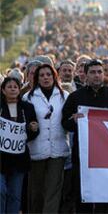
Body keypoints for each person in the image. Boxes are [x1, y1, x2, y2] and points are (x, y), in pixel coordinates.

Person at [62, 59, 108, 213]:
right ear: (86, 75)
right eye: (93, 72)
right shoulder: (75, 97)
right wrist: (73, 120)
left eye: (99, 72)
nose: (97, 75)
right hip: (83, 157)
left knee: (106, 198)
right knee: (83, 197)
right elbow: (64, 122)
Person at [23, 63, 70, 213]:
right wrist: (30, 127)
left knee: (53, 191)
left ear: (54, 76)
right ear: (37, 78)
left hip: (58, 149)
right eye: (42, 75)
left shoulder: (64, 96)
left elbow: (68, 120)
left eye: (48, 74)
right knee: (36, 192)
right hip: (36, 149)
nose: (45, 78)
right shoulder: (28, 97)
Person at [0, 77, 39, 214]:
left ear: (19, 89)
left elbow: (33, 131)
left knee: (15, 196)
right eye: (9, 86)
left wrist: (33, 128)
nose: (12, 89)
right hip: (1, 159)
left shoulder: (27, 108)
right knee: (1, 191)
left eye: (15, 86)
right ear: (3, 90)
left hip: (19, 159)